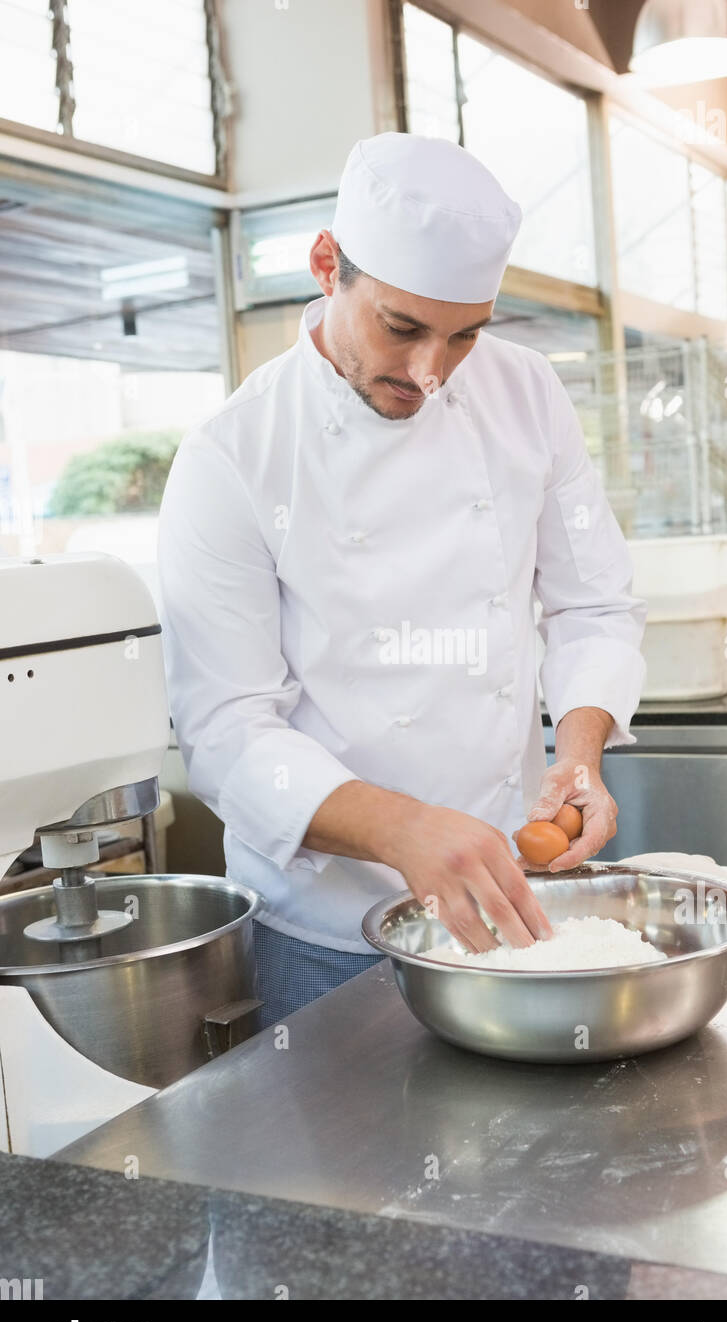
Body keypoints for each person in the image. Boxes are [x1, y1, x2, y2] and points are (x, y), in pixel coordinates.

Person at [157, 132, 647, 1025]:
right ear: (326, 265)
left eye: (465, 335)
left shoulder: (527, 393)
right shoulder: (233, 455)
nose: (431, 372)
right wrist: (403, 829)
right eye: (403, 327)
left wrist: (578, 758)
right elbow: (224, 731)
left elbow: (594, 603)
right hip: (326, 930)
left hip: (507, 889)